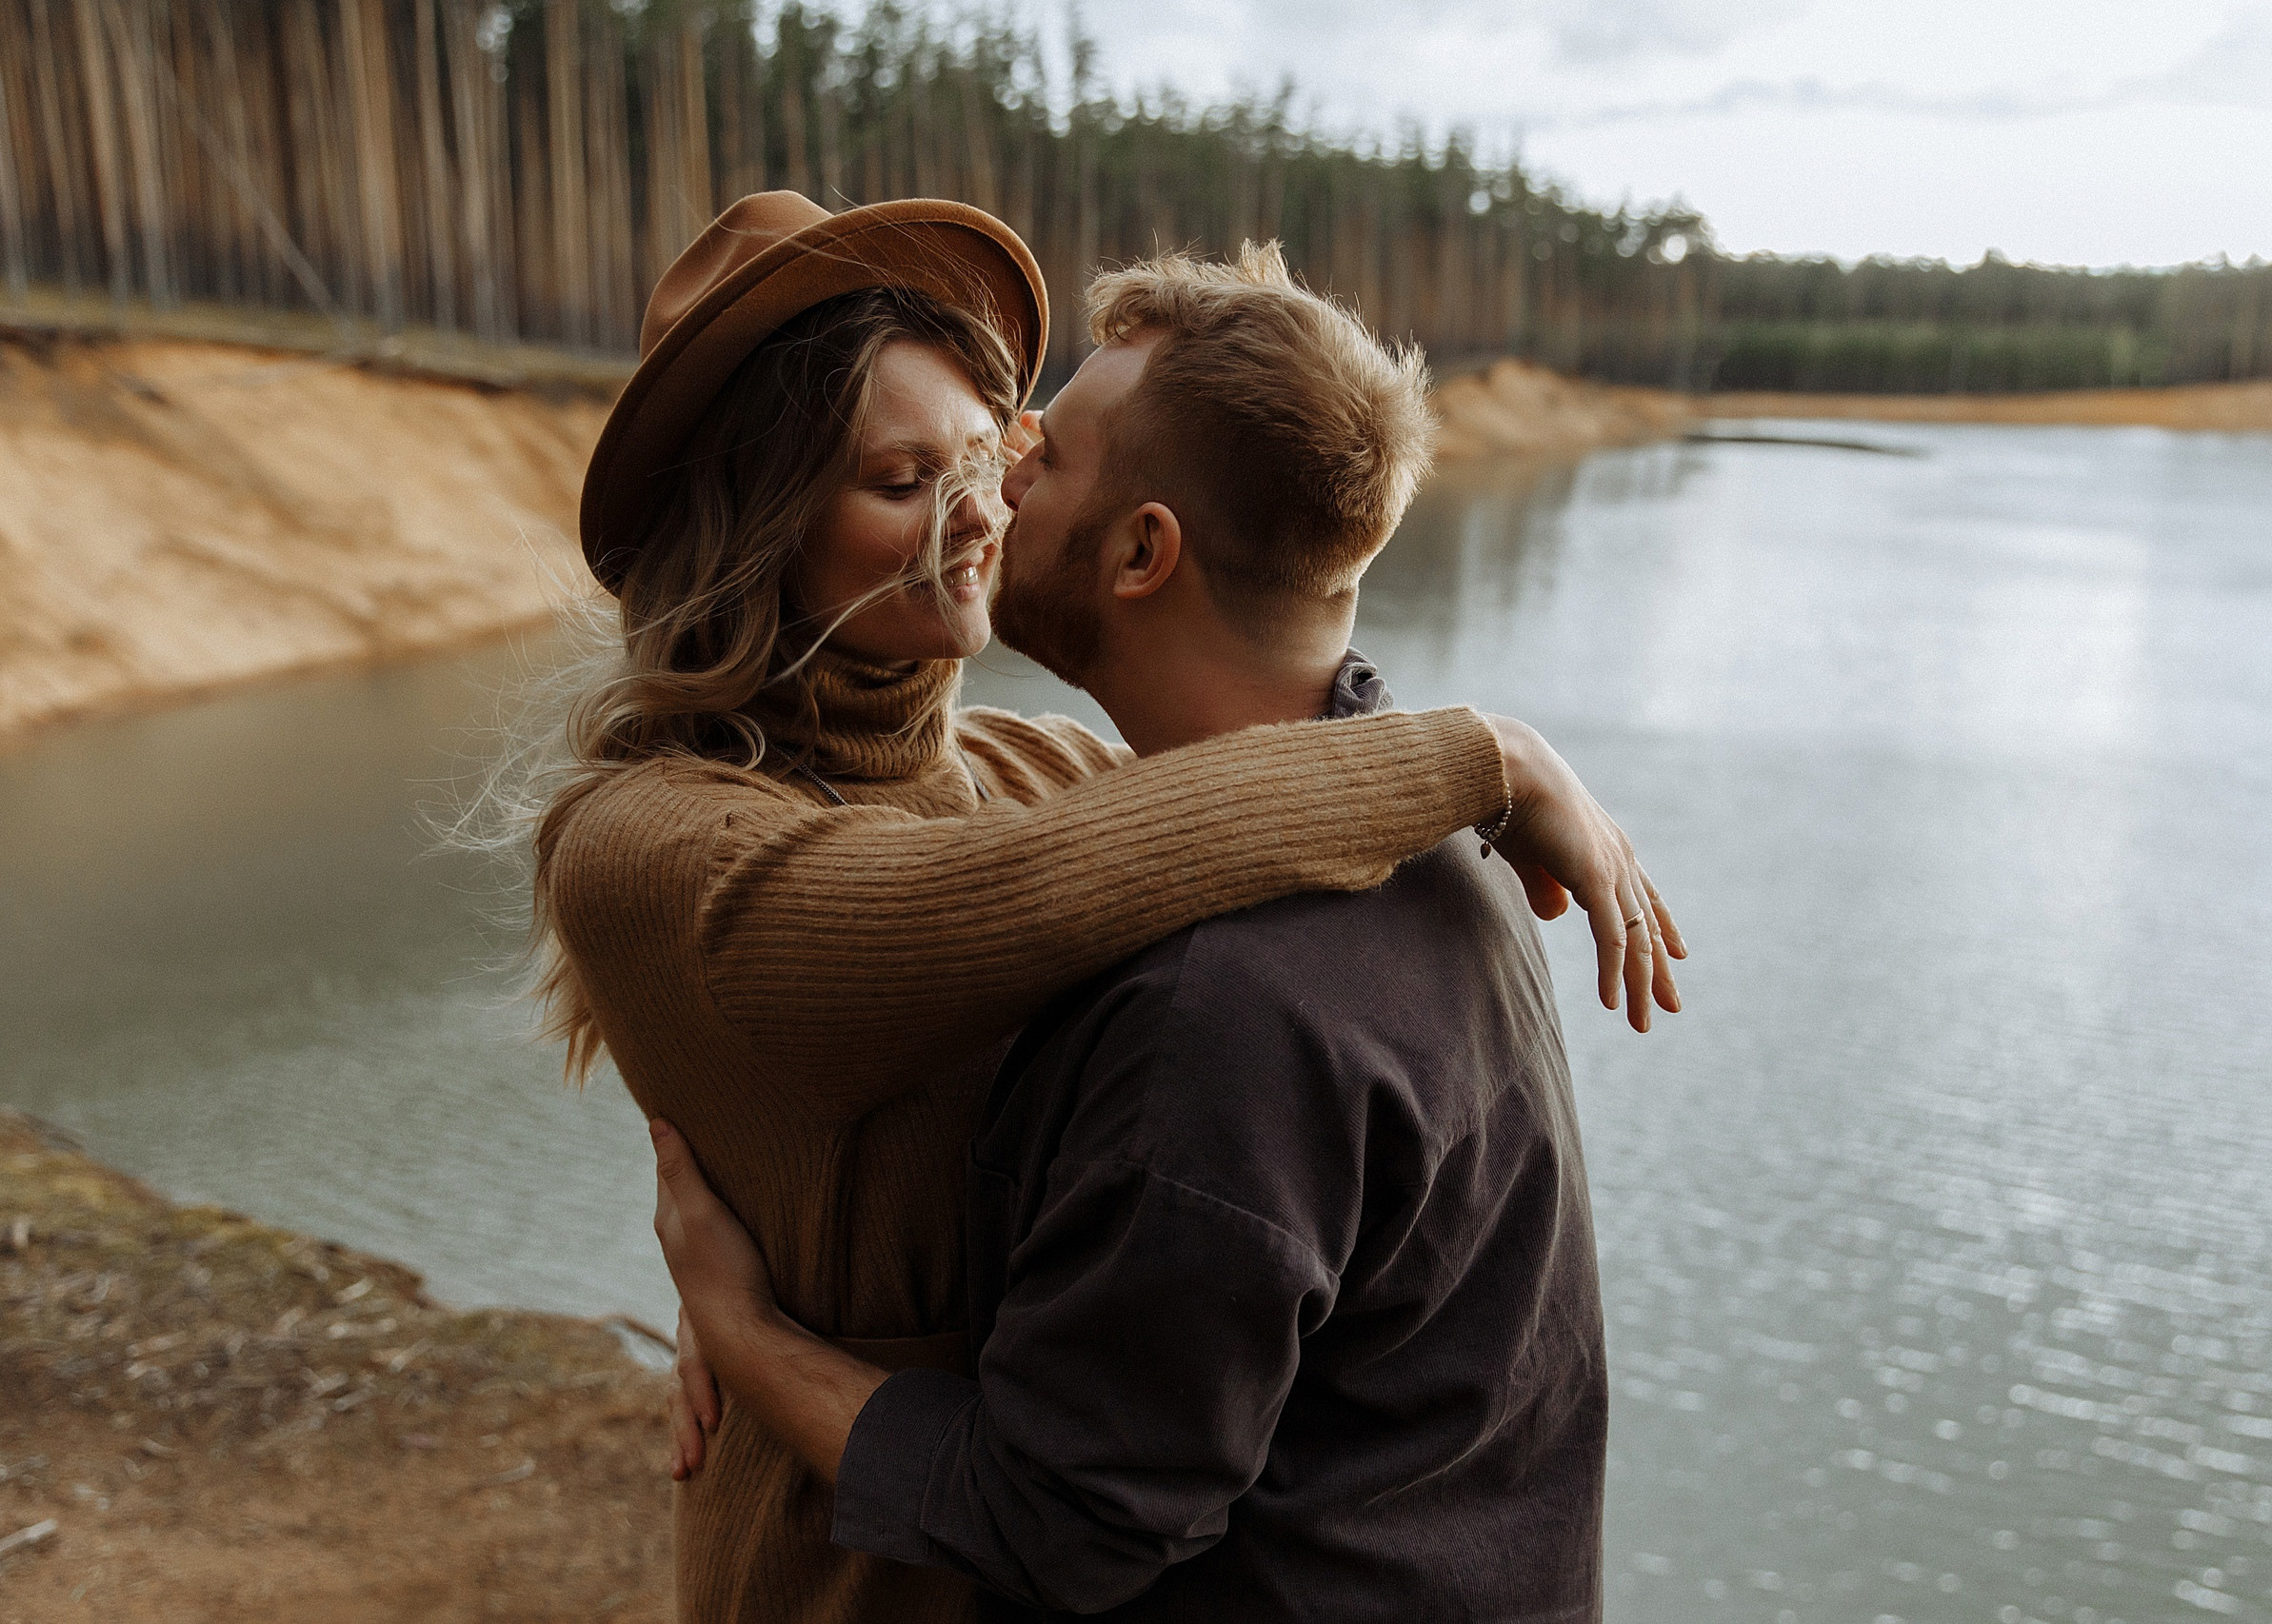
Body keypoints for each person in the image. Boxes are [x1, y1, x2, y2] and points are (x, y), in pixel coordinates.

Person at [537, 190, 1678, 1624]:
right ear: (756, 529)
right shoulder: (654, 845)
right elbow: (992, 902)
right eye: (904, 479)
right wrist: (1476, 753)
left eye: (991, 451)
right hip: (856, 1585)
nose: (984, 511)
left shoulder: (1061, 779)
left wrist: (758, 1334)